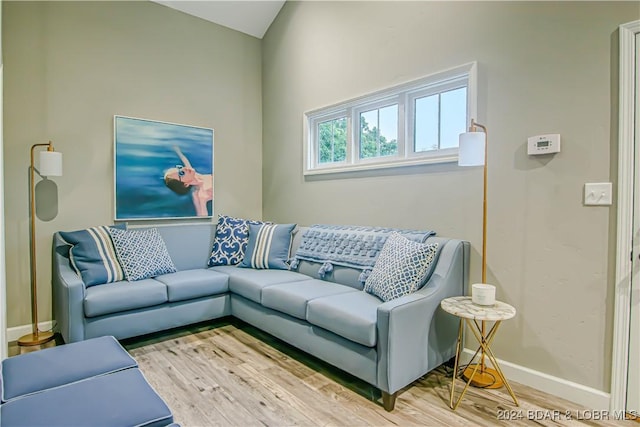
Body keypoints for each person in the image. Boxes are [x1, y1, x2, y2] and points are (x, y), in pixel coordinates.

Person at [164, 146, 213, 216]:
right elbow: (202, 217)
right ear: (185, 184)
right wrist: (202, 201)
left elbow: (184, 159)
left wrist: (177, 150)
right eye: (181, 173)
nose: (184, 168)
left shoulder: (193, 174)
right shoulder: (200, 194)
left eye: (179, 168)